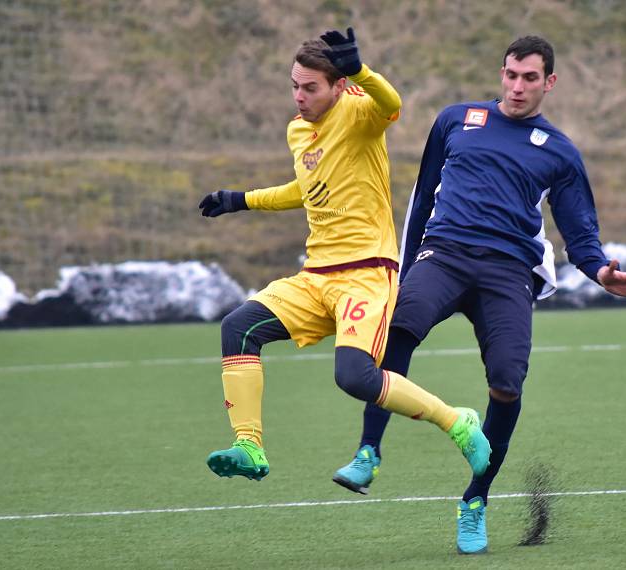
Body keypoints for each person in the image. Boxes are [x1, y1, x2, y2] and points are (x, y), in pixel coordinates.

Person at [332, 35, 626, 555]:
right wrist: (401, 266)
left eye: (530, 78)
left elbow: (579, 231)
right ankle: (369, 450)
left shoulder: (560, 153)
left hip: (507, 272)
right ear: (501, 73)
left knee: (507, 383)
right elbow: (421, 197)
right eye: (510, 74)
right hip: (444, 253)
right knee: (395, 334)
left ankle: (476, 499)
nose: (518, 86)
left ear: (549, 82)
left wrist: (599, 272)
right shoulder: (456, 120)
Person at [198, 27, 492, 485]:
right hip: (316, 275)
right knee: (238, 327)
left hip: (366, 275)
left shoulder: (360, 112)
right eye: (294, 85)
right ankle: (249, 445)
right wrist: (241, 199)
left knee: (354, 377)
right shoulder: (298, 130)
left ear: (338, 86)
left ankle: (456, 421)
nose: (299, 96)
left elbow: (392, 104)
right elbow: (309, 188)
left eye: (310, 87)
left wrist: (359, 69)